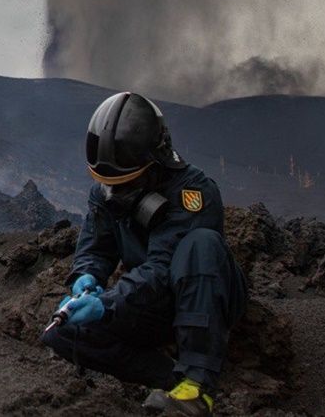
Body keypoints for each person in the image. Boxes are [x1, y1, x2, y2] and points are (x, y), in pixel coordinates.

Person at [41, 92, 247, 416]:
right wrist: (87, 277)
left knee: (202, 243)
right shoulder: (105, 193)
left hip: (197, 296)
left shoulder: (193, 192)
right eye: (108, 184)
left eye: (125, 183)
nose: (114, 192)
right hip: (148, 302)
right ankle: (175, 381)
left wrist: (106, 304)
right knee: (63, 332)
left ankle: (199, 384)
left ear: (156, 161)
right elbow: (95, 246)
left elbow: (163, 269)